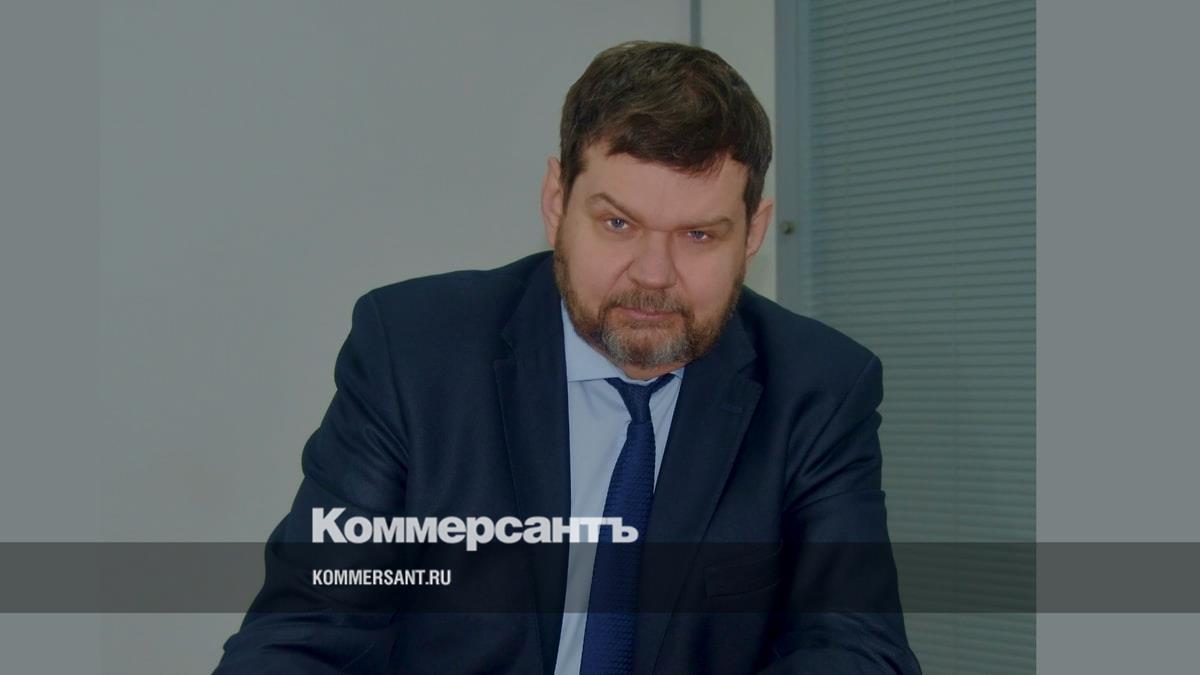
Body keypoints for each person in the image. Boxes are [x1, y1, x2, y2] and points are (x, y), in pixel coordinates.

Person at [216, 41, 920, 674]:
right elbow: (307, 627)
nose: (653, 274)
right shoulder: (414, 354)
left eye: (699, 235)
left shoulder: (818, 390)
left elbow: (856, 648)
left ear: (754, 232)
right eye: (617, 223)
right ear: (556, 201)